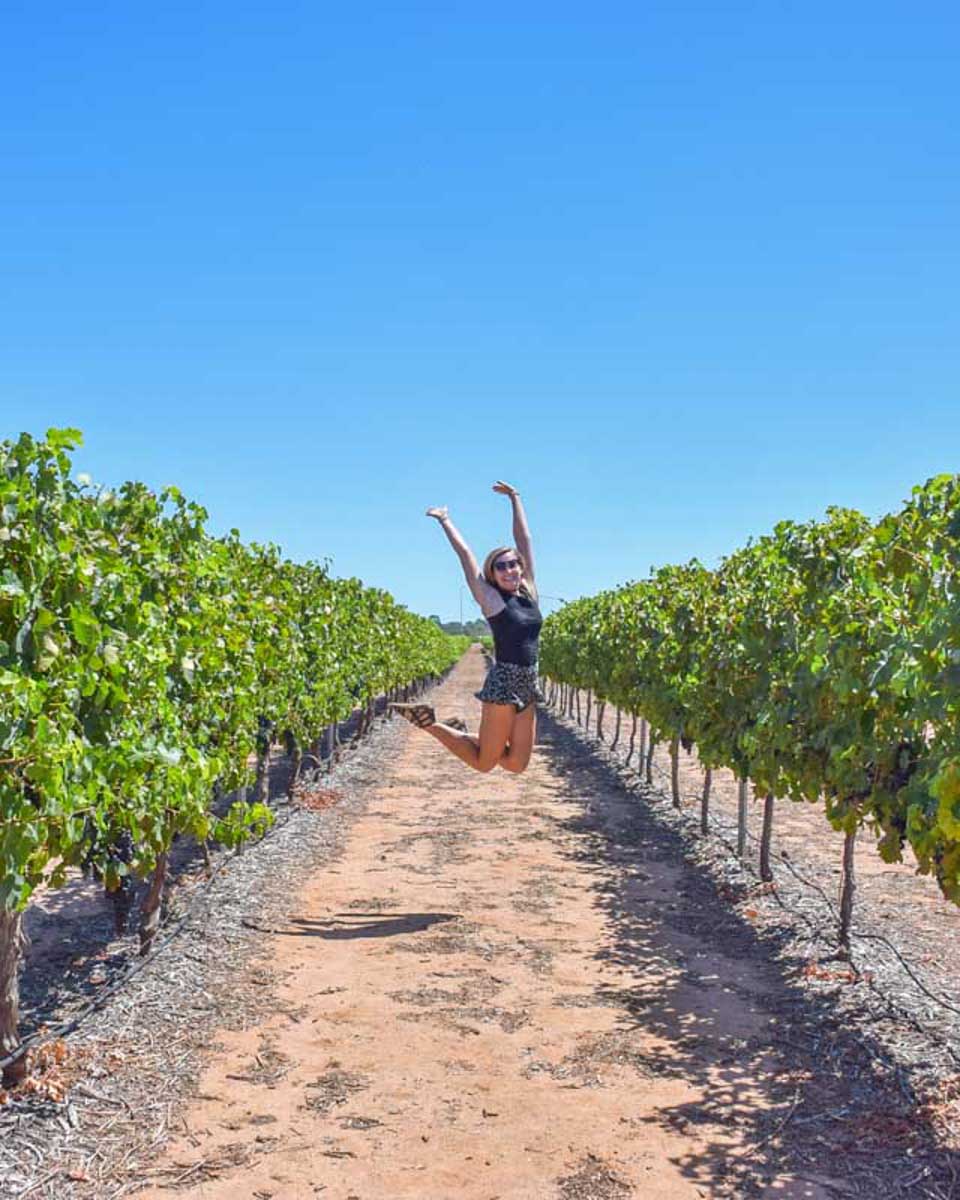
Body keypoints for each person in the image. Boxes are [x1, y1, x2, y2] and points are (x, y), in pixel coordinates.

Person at [391, 481, 544, 774]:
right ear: (492, 574)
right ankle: (430, 723)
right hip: (504, 684)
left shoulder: (529, 590)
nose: (509, 569)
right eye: (501, 566)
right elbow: (466, 557)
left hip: (529, 683)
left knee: (516, 764)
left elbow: (524, 540)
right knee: (485, 763)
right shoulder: (492, 600)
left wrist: (515, 498)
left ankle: (458, 730)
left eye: (513, 564)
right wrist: (445, 521)